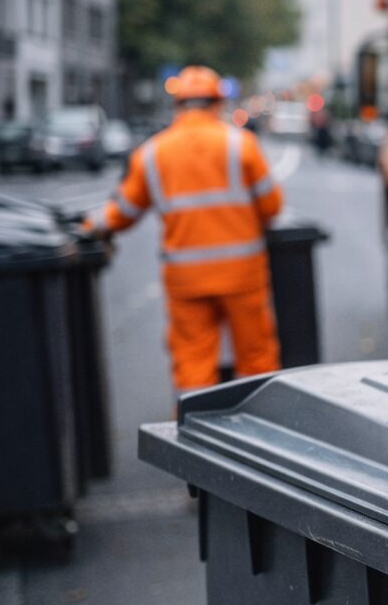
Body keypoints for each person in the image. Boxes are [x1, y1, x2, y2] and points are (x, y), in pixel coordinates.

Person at [84, 65, 283, 395]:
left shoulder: (152, 153)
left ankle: (192, 439)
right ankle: (259, 434)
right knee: (256, 358)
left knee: (193, 363)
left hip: (186, 279)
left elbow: (123, 212)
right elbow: (272, 208)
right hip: (241, 276)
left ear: (178, 107)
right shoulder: (240, 145)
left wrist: (92, 226)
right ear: (218, 103)